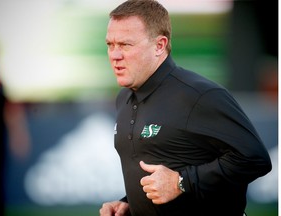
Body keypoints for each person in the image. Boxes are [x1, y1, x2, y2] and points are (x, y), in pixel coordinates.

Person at [100, 0, 272, 215]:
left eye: (125, 45)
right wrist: (128, 203)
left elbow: (255, 159)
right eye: (110, 45)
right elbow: (162, 166)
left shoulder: (200, 95)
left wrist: (182, 182)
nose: (115, 55)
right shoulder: (124, 97)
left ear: (159, 45)